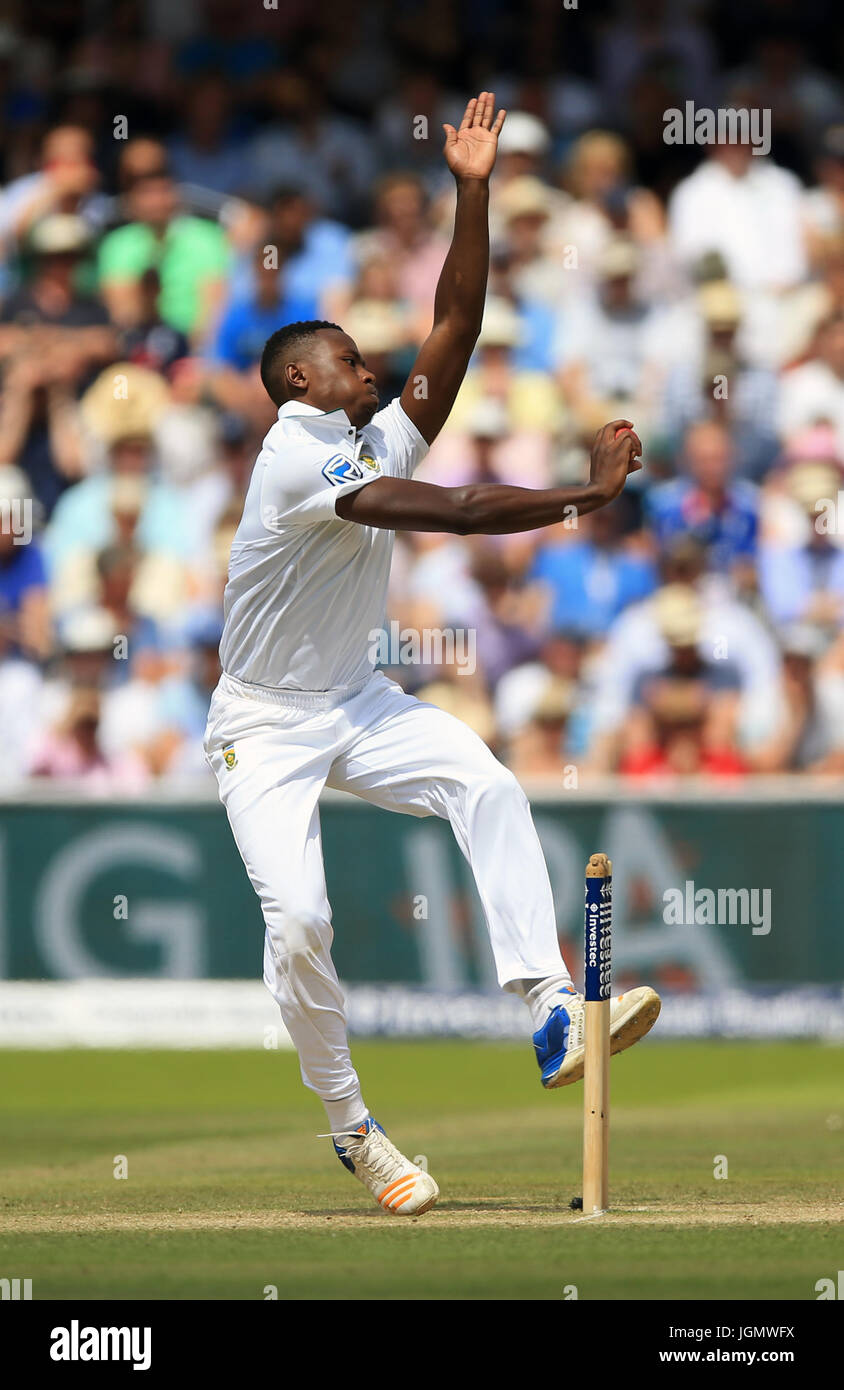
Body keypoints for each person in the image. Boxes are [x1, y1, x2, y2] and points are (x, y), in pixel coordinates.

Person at [203, 94, 661, 1218]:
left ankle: (551, 1004)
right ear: (302, 383)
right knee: (299, 922)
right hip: (261, 725)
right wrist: (582, 497)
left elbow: (453, 329)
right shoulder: (295, 466)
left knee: (484, 778)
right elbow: (454, 512)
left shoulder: (354, 433)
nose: (375, 372)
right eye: (352, 363)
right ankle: (352, 1130)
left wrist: (471, 186)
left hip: (353, 700)